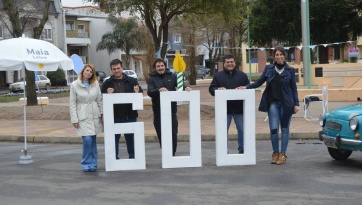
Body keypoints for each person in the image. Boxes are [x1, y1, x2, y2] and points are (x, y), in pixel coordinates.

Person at [241, 46, 299, 165]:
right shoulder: (269, 69)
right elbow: (259, 82)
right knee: (273, 129)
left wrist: (296, 103)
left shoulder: (290, 70)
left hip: (287, 104)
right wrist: (246, 87)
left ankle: (282, 154)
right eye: (276, 55)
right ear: (274, 57)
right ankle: (275, 153)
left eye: (281, 54)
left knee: (284, 129)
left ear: (284, 56)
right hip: (273, 103)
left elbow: (294, 88)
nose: (279, 57)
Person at [147, 58, 192, 156]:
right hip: (158, 111)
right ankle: (166, 154)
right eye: (158, 66)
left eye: (162, 66)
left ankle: (172, 154)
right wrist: (158, 89)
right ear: (155, 68)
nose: (160, 68)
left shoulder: (172, 76)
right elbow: (150, 92)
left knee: (173, 134)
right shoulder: (152, 79)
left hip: (171, 111)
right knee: (161, 134)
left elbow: (181, 84)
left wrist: (186, 87)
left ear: (165, 66)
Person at [101, 59, 142, 159]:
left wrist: (137, 92)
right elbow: (102, 98)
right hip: (114, 115)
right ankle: (114, 158)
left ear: (122, 68)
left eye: (118, 68)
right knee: (114, 138)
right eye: (114, 69)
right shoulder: (107, 83)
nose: (117, 70)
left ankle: (133, 157)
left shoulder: (132, 81)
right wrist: (107, 95)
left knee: (130, 137)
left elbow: (139, 93)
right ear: (111, 70)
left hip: (129, 114)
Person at [209, 54, 250, 154]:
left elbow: (249, 87)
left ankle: (242, 149)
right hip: (224, 110)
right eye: (227, 62)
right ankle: (224, 151)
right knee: (223, 131)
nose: (229, 64)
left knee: (242, 130)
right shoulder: (218, 76)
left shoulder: (243, 75)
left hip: (239, 109)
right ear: (224, 64)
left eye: (231, 62)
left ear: (235, 63)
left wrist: (245, 88)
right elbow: (211, 89)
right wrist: (218, 89)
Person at [70, 64, 103, 172]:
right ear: (83, 71)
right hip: (82, 115)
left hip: (94, 114)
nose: (88, 73)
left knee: (93, 140)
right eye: (87, 70)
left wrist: (102, 113)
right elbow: (72, 103)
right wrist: (74, 119)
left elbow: (99, 99)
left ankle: (93, 163)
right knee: (87, 140)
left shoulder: (95, 84)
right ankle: (86, 162)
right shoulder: (74, 85)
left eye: (91, 72)